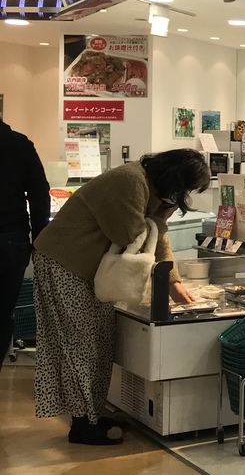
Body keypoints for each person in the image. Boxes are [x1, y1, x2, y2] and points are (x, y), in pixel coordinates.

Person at [33, 149, 211, 445]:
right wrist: (162, 217)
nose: (183, 196)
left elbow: (157, 239)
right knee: (81, 344)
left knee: (101, 340)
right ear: (175, 178)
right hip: (63, 262)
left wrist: (174, 282)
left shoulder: (149, 187)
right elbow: (133, 237)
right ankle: (82, 424)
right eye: (186, 188)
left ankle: (92, 415)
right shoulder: (130, 181)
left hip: (88, 271)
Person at [0, 119, 51, 369]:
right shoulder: (20, 144)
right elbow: (40, 193)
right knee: (2, 313)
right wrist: (38, 240)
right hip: (11, 241)